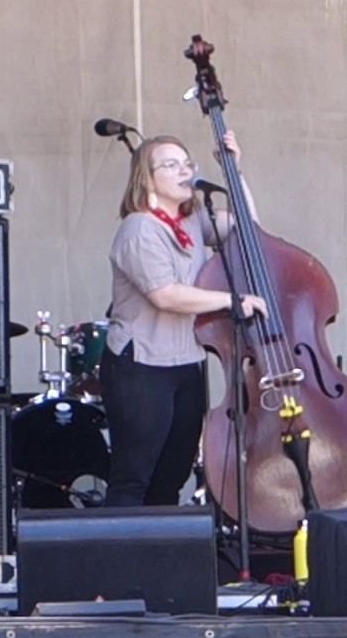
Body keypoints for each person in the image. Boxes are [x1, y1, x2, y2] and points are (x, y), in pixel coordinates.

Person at [99, 131, 267, 507]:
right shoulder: (139, 228)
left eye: (187, 164)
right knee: (133, 478)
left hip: (186, 364)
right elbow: (165, 295)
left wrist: (233, 169)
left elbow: (248, 228)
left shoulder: (191, 221)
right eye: (170, 165)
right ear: (147, 178)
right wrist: (232, 301)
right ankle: (121, 547)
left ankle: (161, 547)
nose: (184, 171)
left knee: (171, 479)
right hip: (141, 366)